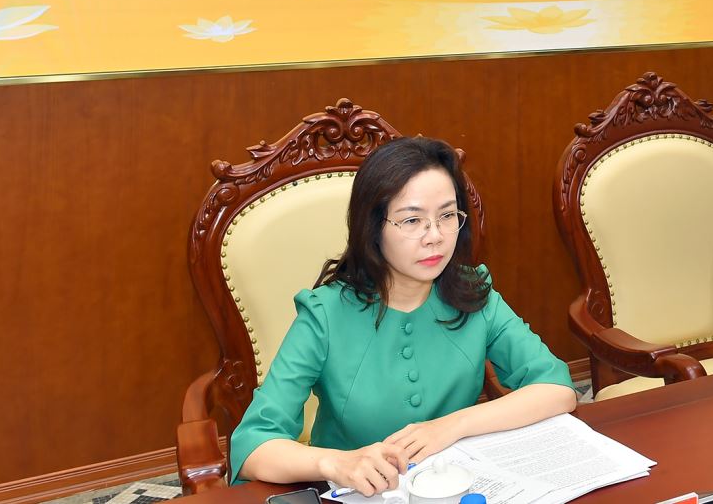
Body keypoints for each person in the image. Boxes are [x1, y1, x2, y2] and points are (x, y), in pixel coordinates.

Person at [232, 137, 577, 494]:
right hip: (357, 494)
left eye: (447, 216)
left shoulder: (474, 293)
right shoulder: (324, 315)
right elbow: (253, 446)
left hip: (454, 485)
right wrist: (335, 463)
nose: (435, 237)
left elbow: (556, 388)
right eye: (412, 220)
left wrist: (452, 425)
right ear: (373, 228)